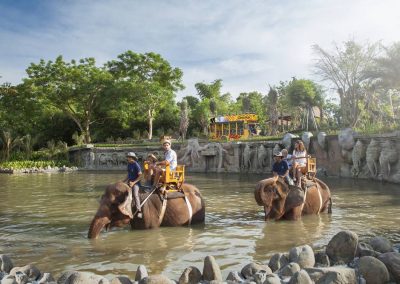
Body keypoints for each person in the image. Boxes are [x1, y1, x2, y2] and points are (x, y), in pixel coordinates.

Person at [123, 152, 143, 218]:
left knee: (135, 194)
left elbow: (140, 176)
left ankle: (139, 211)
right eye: (127, 157)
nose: (127, 158)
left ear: (132, 158)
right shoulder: (129, 164)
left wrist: (133, 183)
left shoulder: (136, 165)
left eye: (128, 157)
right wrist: (123, 181)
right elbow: (128, 175)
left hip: (136, 183)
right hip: (129, 182)